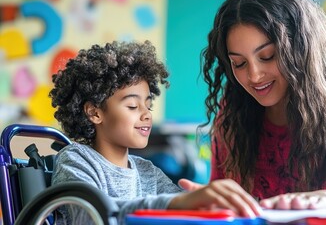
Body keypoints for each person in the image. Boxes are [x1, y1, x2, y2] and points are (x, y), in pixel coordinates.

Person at [182, 0, 326, 210]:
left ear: (301, 48)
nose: (254, 75)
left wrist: (322, 200)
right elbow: (224, 196)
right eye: (239, 63)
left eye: (268, 56)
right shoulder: (233, 113)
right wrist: (211, 201)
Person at [49, 40, 261, 224]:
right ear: (94, 112)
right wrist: (177, 203)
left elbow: (185, 208)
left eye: (148, 105)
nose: (147, 114)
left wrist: (209, 202)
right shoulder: (75, 160)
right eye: (133, 106)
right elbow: (89, 216)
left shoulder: (147, 171)